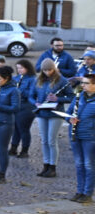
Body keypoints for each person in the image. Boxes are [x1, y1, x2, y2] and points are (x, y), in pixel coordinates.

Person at [32, 58, 73, 178]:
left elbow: (71, 96)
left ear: (53, 69)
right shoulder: (38, 80)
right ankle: (45, 165)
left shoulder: (61, 80)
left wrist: (58, 99)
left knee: (51, 140)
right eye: (45, 70)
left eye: (49, 70)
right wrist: (36, 103)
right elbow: (31, 95)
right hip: (41, 112)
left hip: (55, 113)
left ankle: (52, 167)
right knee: (44, 140)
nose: (47, 72)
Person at [64, 73, 95, 202]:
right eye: (82, 83)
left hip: (90, 136)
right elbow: (68, 112)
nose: (82, 85)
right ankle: (79, 191)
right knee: (79, 164)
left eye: (86, 83)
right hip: (75, 135)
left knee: (88, 165)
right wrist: (70, 119)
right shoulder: (79, 97)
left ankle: (87, 193)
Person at [11, 60, 37, 159]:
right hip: (17, 105)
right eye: (18, 68)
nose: (19, 70)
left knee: (23, 128)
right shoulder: (15, 78)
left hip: (27, 106)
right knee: (16, 128)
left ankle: (24, 150)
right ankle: (13, 147)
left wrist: (17, 91)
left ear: (27, 68)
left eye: (21, 68)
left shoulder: (32, 79)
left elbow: (31, 94)